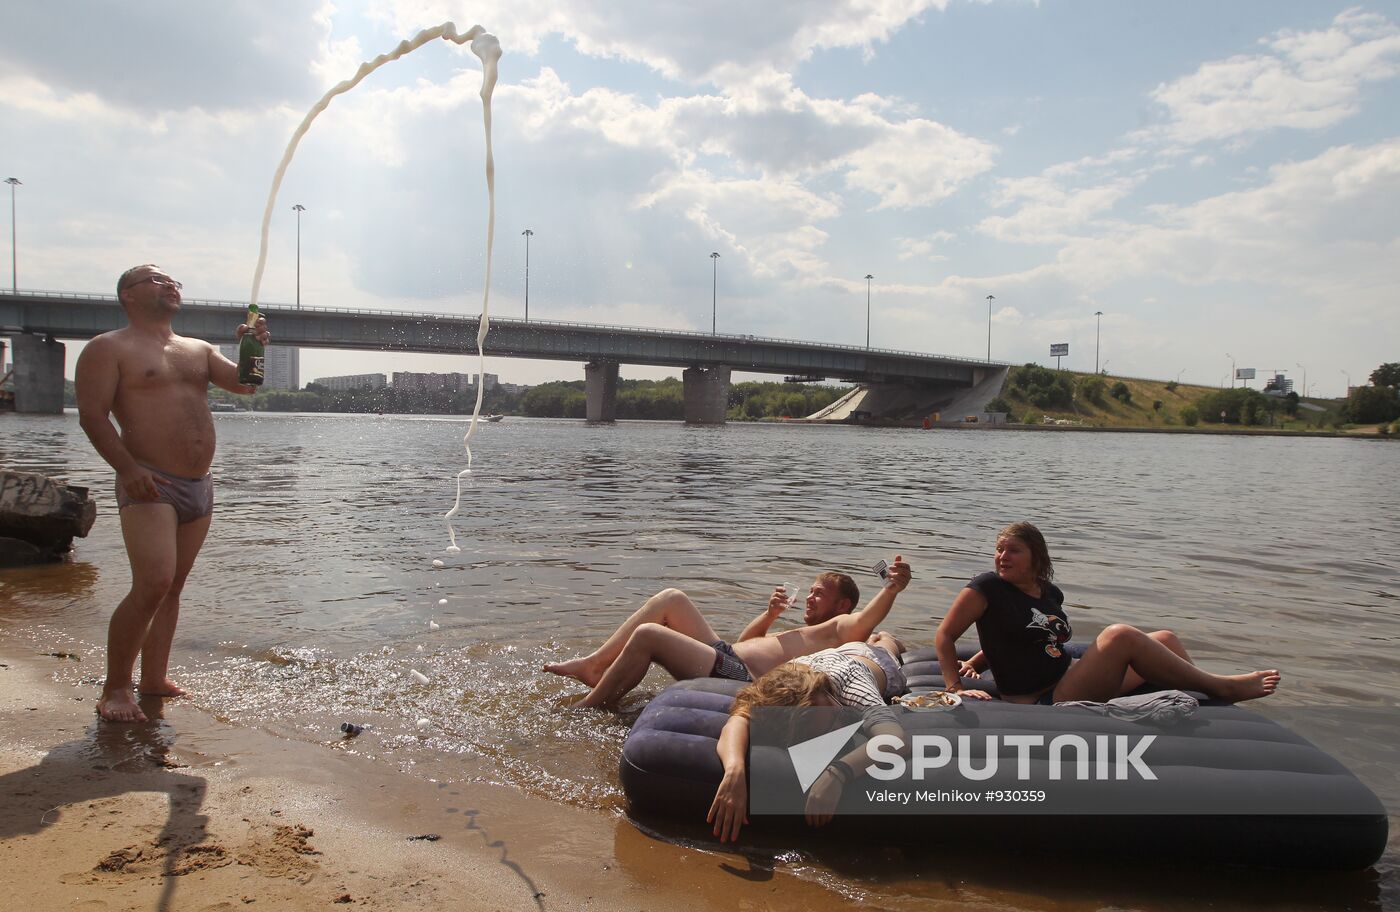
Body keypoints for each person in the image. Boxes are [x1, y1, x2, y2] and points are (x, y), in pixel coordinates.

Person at [76, 264, 270, 723]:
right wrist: (126, 469)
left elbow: (247, 384)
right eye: (156, 280)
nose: (170, 285)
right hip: (149, 481)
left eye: (174, 281)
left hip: (198, 485)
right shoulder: (108, 348)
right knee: (153, 583)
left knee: (173, 588)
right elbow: (92, 415)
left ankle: (154, 678)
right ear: (128, 294)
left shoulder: (197, 349)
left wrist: (255, 348)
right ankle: (116, 689)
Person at [933, 522, 1280, 705]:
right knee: (1119, 635)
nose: (1002, 556)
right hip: (1044, 698)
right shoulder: (987, 587)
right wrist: (955, 686)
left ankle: (1199, 703)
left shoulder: (1048, 592)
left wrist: (977, 662)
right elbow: (945, 636)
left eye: (1013, 550)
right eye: (998, 549)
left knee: (1166, 639)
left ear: (1037, 559)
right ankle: (1221, 688)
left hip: (1074, 677)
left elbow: (1029, 637)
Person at [544, 557, 911, 708]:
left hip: (740, 678)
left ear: (844, 605)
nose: (811, 598)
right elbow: (747, 642)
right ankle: (596, 665)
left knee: (648, 636)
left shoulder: (841, 630)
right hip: (730, 658)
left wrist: (891, 589)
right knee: (672, 599)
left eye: (820, 594)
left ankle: (589, 708)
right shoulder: (810, 632)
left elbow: (865, 624)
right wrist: (768, 616)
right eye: (811, 591)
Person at [706, 631, 909, 843]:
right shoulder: (783, 685)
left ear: (829, 693)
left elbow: (896, 739)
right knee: (864, 643)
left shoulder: (853, 688)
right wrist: (734, 770)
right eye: (830, 724)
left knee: (885, 646)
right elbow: (739, 719)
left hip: (870, 661)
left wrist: (837, 773)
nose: (840, 721)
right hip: (826, 657)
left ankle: (886, 638)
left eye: (834, 713)